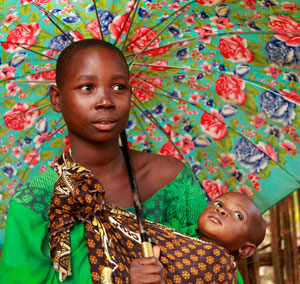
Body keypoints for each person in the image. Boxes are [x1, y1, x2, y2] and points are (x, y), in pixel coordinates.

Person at [0, 39, 208, 283]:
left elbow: (217, 267)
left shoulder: (173, 182)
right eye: (87, 87)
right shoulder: (35, 203)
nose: (106, 101)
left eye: (119, 87)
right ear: (57, 98)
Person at [130, 191, 266, 283]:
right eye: (218, 204)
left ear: (245, 249)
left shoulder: (229, 277)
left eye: (238, 215)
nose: (221, 210)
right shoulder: (169, 240)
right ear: (196, 226)